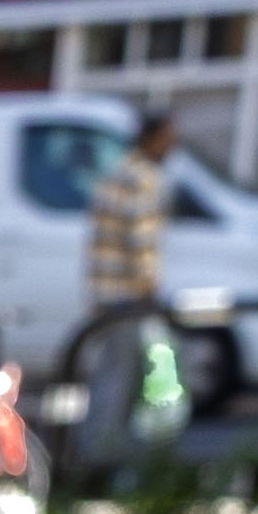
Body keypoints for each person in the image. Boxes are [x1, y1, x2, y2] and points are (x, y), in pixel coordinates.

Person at [74, 102, 182, 481]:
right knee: (125, 378)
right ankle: (102, 461)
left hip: (104, 289)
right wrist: (150, 288)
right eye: (168, 139)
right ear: (152, 139)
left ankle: (97, 451)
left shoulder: (116, 172)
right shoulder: (145, 178)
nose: (172, 146)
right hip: (129, 295)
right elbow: (142, 240)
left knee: (110, 373)